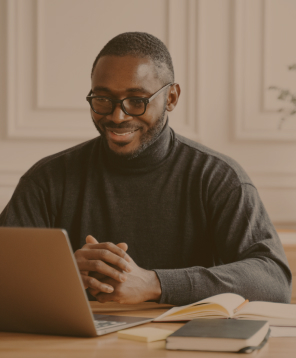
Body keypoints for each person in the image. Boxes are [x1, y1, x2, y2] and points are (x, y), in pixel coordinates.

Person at [0, 32, 291, 306]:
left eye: (137, 101)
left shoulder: (217, 177)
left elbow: (273, 280)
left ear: (172, 98)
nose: (117, 116)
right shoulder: (48, 178)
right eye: (103, 99)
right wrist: (58, 275)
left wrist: (155, 283)